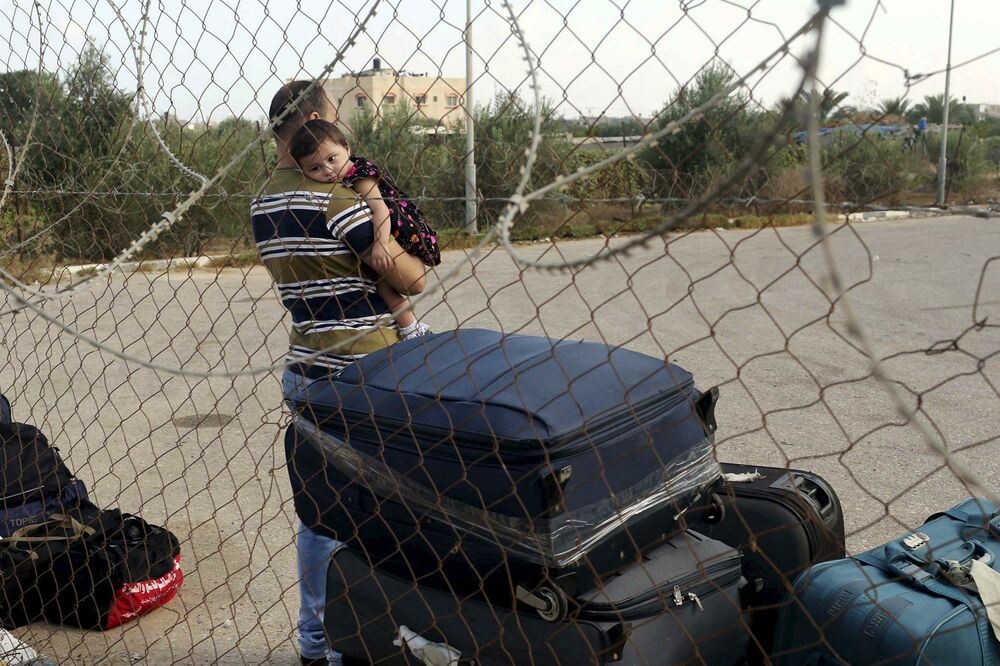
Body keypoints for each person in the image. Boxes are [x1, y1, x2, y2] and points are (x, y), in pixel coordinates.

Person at [250, 80, 426, 666]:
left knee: (320, 515)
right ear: (312, 121)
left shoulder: (261, 203)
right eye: (332, 120)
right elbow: (412, 277)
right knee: (385, 512)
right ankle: (371, 640)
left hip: (306, 365)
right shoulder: (336, 200)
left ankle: (318, 642)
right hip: (367, 369)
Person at [289, 119, 440, 340]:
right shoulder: (341, 177)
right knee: (379, 282)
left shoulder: (359, 176)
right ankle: (410, 327)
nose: (328, 171)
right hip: (388, 228)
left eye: (332, 159)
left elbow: (381, 210)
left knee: (383, 283)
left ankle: (412, 329)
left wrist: (380, 245)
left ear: (347, 148)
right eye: (315, 168)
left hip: (401, 230)